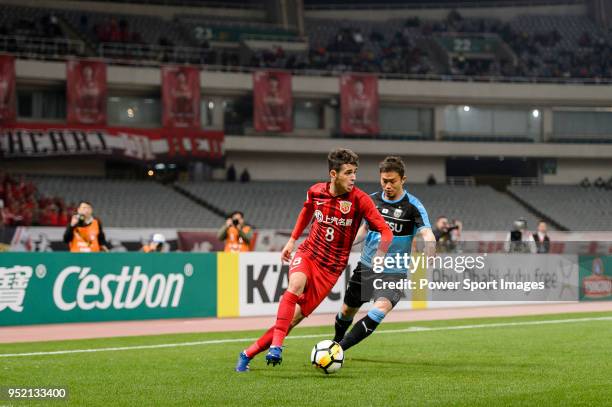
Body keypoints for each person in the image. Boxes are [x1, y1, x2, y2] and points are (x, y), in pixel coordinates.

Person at [235, 148, 393, 372]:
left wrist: (380, 254)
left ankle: (247, 354)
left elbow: (386, 232)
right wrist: (292, 241)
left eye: (355, 172)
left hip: (330, 270)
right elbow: (306, 212)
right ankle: (277, 346)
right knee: (295, 285)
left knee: (292, 320)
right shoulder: (316, 191)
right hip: (309, 253)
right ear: (333, 174)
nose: (354, 177)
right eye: (348, 172)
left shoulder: (361, 200)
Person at [332, 156, 436, 351]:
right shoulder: (371, 200)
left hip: (393, 272)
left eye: (392, 181)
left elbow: (427, 232)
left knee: (380, 310)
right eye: (384, 181)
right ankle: (336, 340)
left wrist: (431, 245)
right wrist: (347, 244)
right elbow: (364, 229)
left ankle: (338, 350)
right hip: (367, 266)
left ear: (403, 180)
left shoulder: (413, 206)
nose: (387, 185)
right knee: (347, 311)